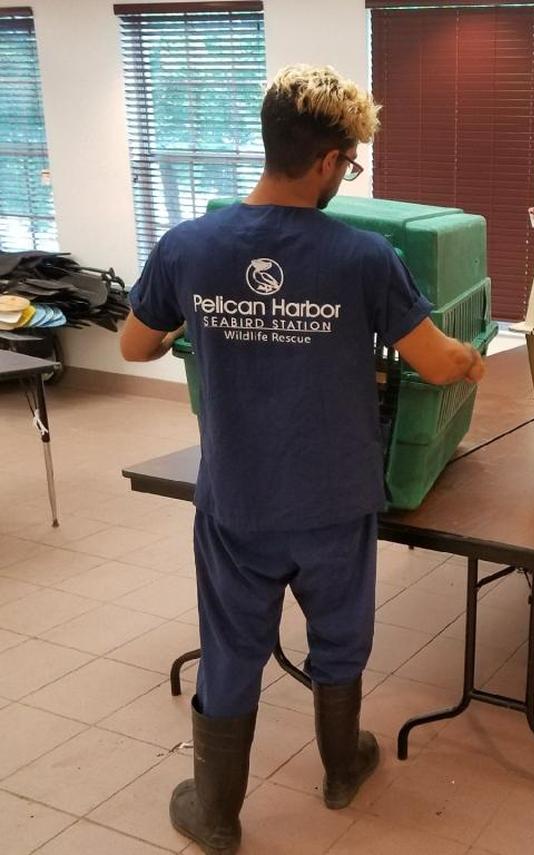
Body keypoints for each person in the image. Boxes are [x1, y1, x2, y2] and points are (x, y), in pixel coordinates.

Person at [120, 64, 485, 855]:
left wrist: (208, 319)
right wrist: (469, 358)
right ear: (326, 160)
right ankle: (342, 768)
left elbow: (134, 344)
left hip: (238, 499)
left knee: (231, 646)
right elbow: (433, 362)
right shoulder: (363, 257)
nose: (345, 177)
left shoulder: (188, 247)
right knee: (339, 635)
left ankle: (217, 813)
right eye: (348, 165)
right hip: (335, 497)